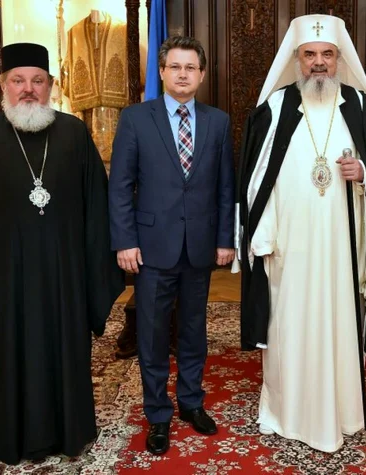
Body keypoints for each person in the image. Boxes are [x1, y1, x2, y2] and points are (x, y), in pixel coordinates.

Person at [0, 42, 124, 464]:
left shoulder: (74, 132)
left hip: (65, 277)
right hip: (5, 280)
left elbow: (98, 208)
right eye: (18, 80)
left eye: (37, 81)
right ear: (3, 85)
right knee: (8, 357)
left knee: (65, 352)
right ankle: (12, 434)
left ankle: (70, 431)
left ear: (50, 86)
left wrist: (95, 267)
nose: (28, 90)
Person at [233, 14, 366, 452]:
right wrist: (263, 236)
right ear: (296, 59)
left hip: (341, 252)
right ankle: (285, 411)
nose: (319, 63)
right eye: (309, 54)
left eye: (327, 54)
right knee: (287, 327)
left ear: (339, 58)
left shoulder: (363, 109)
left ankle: (341, 411)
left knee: (337, 324)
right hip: (288, 251)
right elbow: (256, 183)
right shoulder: (272, 111)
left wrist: (363, 174)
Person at [109, 36, 235, 455]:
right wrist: (125, 240)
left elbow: (225, 187)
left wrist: (225, 240)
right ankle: (158, 414)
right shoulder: (135, 118)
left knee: (195, 331)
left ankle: (191, 403)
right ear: (162, 72)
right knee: (153, 333)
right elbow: (121, 186)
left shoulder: (218, 121)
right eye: (175, 67)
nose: (183, 74)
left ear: (201, 74)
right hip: (151, 246)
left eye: (190, 68)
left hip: (199, 246)